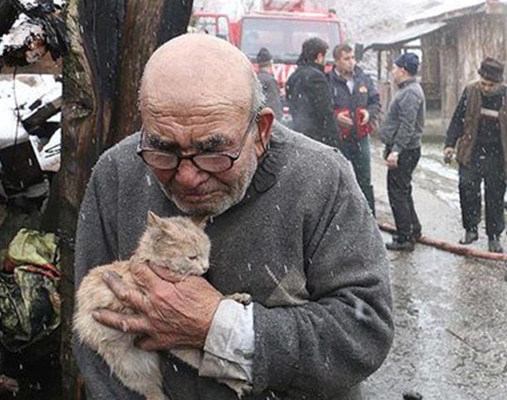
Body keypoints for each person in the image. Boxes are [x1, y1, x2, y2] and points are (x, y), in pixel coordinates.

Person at [73, 33, 393, 400]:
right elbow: (92, 338)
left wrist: (219, 327)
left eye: (214, 151)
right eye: (164, 149)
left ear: (261, 131)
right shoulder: (117, 172)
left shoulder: (322, 178)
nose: (188, 176)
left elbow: (364, 332)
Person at [443, 57, 507, 253]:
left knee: (495, 196)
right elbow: (457, 119)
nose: (485, 88)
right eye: (483, 83)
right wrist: (449, 144)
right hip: (472, 151)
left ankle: (494, 237)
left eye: (490, 85)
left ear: (499, 83)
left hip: (498, 155)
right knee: (466, 187)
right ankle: (471, 229)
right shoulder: (470, 92)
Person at [378, 53, 425, 251]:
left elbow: (407, 125)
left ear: (403, 70)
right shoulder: (408, 90)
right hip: (405, 148)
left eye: (395, 68)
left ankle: (405, 237)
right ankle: (413, 228)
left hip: (405, 150)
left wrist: (396, 150)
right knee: (403, 190)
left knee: (397, 193)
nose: (392, 71)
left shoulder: (410, 93)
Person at [328, 43, 380, 215]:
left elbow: (375, 102)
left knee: (364, 179)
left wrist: (369, 113)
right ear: (336, 61)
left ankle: (369, 217)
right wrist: (336, 117)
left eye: (353, 58)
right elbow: (322, 109)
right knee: (338, 180)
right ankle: (341, 217)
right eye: (346, 59)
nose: (351, 62)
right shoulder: (328, 81)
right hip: (338, 139)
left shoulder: (363, 79)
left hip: (360, 137)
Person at [285, 37, 339, 147]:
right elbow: (325, 112)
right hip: (316, 139)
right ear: (319, 57)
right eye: (325, 57)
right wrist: (335, 140)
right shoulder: (317, 78)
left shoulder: (293, 77)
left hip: (298, 135)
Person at [255, 47, 283, 119]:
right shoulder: (270, 81)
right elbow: (274, 106)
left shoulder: (254, 78)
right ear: (271, 63)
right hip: (267, 121)